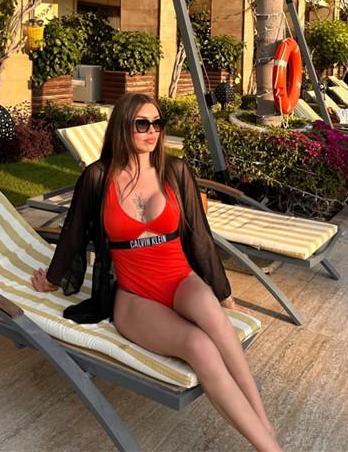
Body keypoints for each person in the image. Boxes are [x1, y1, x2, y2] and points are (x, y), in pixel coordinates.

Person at [32, 92, 282, 452]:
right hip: (135, 297)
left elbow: (200, 237)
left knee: (215, 318)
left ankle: (265, 427)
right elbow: (73, 233)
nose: (153, 131)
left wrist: (224, 294)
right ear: (123, 127)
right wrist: (52, 280)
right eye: (142, 124)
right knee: (199, 346)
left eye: (158, 123)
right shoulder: (98, 177)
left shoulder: (175, 171)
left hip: (181, 281)